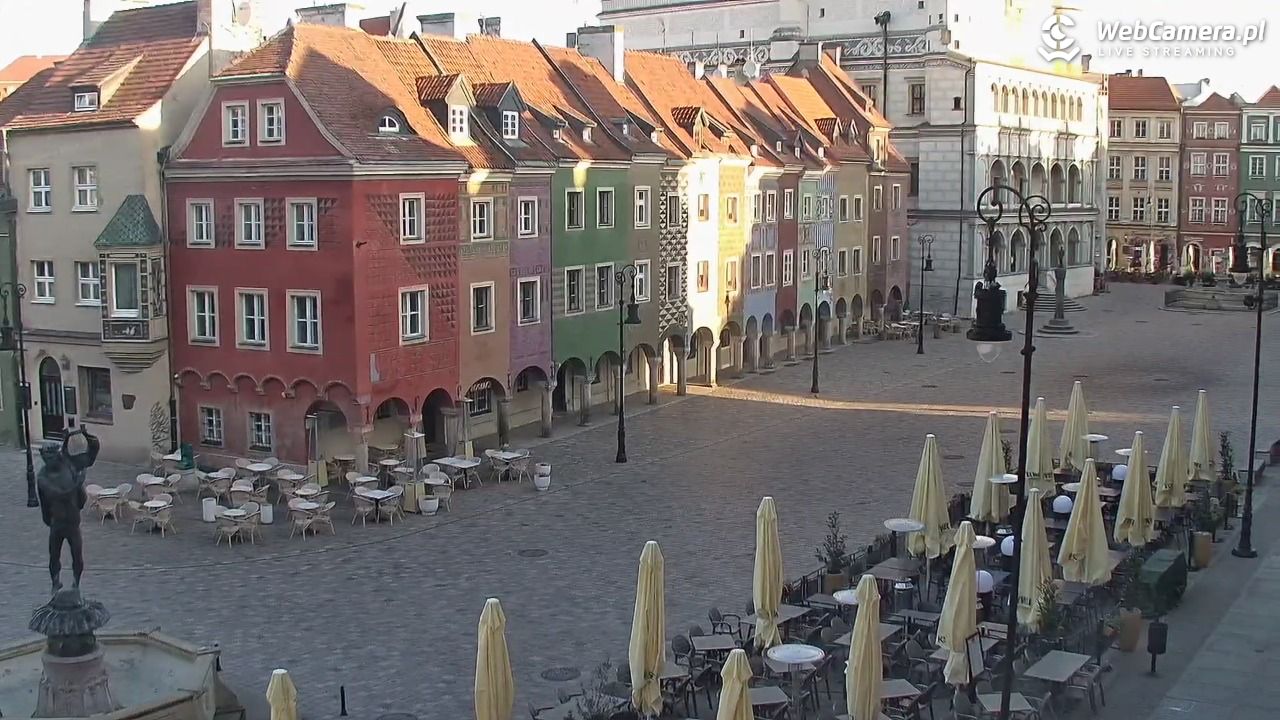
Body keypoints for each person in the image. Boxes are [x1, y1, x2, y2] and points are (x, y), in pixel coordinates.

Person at [37, 429, 99, 594]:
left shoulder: (68, 464)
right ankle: (55, 583)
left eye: (52, 456)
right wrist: (77, 484)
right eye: (46, 458)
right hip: (56, 523)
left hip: (72, 522)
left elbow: (91, 455)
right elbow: (52, 494)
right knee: (54, 556)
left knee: (77, 557)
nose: (50, 460)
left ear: (57, 455)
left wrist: (87, 436)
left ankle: (76, 584)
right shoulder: (43, 477)